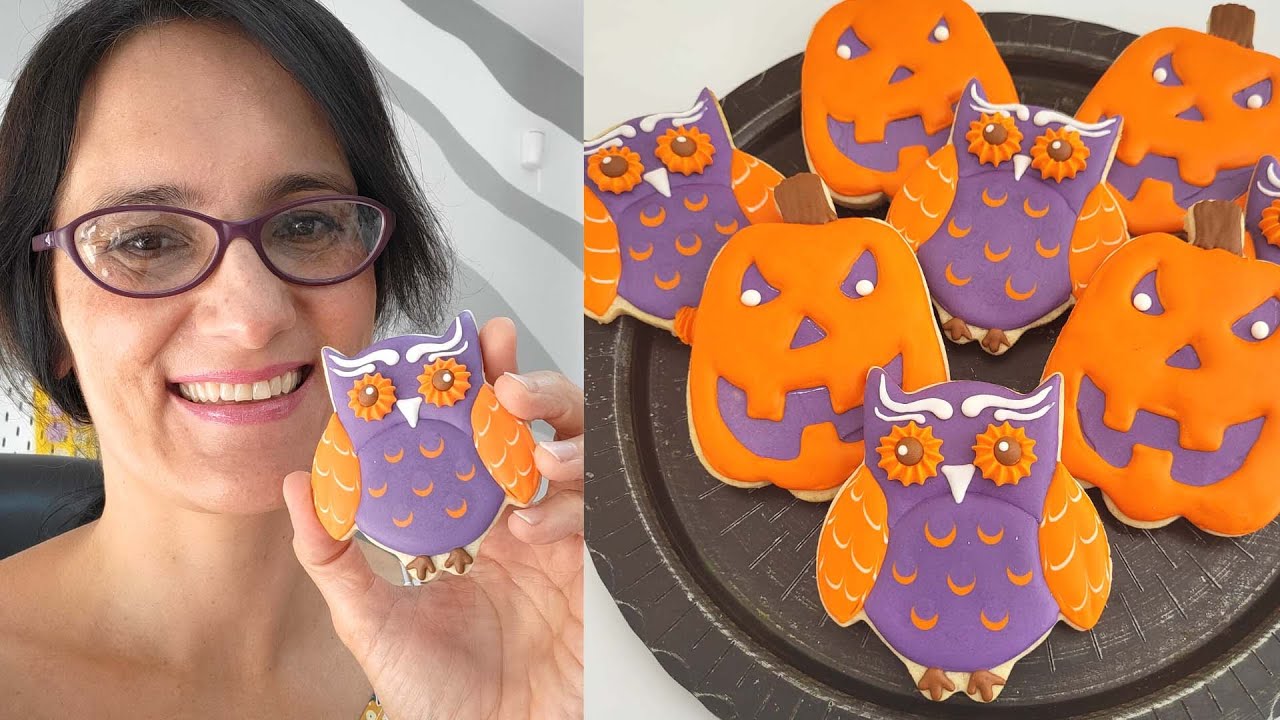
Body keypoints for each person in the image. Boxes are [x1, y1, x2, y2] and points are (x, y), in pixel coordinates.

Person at [0, 1, 584, 718]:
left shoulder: (503, 629)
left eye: (307, 225)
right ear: (47, 310)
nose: (252, 318)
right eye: (145, 241)